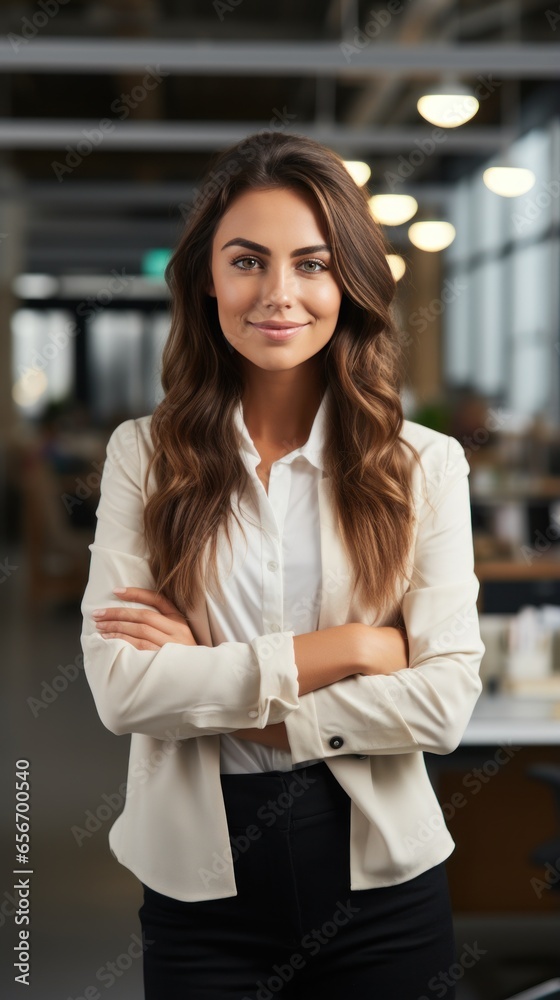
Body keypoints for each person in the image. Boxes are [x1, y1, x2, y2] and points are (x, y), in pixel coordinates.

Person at [80, 130, 485, 1000]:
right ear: (207, 279)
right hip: (198, 892)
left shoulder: (424, 466)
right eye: (247, 261)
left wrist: (221, 694)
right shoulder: (143, 458)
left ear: (353, 282)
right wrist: (352, 647)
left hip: (382, 884)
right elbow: (122, 689)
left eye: (312, 263)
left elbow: (446, 699)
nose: (278, 294)